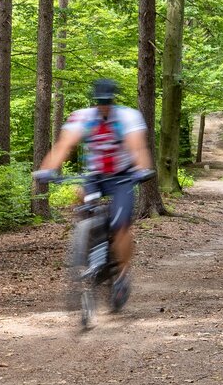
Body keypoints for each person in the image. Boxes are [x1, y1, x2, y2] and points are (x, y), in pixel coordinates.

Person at [34, 78, 154, 310]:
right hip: (96, 175)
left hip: (123, 176)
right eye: (100, 102)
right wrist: (48, 169)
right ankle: (89, 245)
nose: (103, 106)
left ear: (113, 100)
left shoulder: (128, 117)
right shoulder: (83, 117)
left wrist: (142, 170)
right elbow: (63, 146)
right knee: (81, 199)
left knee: (121, 226)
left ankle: (121, 277)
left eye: (107, 102)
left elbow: (138, 148)